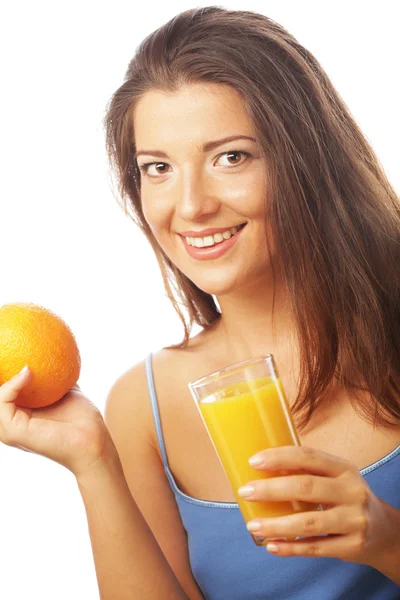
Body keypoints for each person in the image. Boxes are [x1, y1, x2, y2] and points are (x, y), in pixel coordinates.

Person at [1, 6, 399, 599]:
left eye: (229, 157)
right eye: (157, 168)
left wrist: (388, 541)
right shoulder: (144, 404)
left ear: (305, 160)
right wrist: (93, 462)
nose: (189, 206)